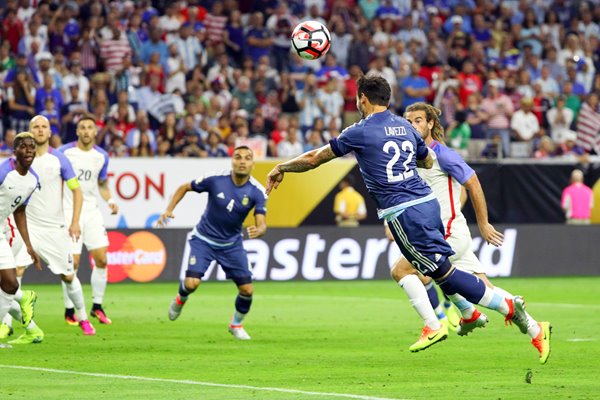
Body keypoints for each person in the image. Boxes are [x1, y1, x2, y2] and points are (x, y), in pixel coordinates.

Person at [265, 75, 551, 364]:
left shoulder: (359, 131)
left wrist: (283, 166)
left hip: (404, 212)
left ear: (362, 99)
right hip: (427, 205)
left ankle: (486, 316)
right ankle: (473, 314)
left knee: (433, 274)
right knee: (440, 273)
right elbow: (426, 160)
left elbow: (314, 158)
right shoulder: (404, 126)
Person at [397, 102, 549, 359]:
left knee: (402, 270)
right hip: (448, 232)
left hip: (447, 233)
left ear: (431, 123)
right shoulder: (412, 156)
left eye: (418, 121)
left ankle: (439, 323)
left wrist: (484, 223)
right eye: (408, 122)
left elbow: (473, 183)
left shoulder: (442, 154)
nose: (412, 126)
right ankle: (536, 329)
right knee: (483, 287)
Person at [158, 146, 267, 340]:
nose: (242, 161)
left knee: (247, 290)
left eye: (247, 158)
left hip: (232, 244)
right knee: (192, 284)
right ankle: (180, 299)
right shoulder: (216, 179)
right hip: (203, 239)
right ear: (232, 161)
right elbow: (184, 187)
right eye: (238, 157)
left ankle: (236, 324)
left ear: (252, 164)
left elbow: (262, 224)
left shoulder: (257, 191)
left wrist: (259, 230)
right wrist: (169, 209)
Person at [21, 115, 96, 335]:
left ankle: (82, 318)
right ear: (29, 132)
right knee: (12, 272)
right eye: (36, 126)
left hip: (54, 228)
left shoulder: (60, 159)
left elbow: (77, 190)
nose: (40, 130)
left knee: (68, 275)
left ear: (50, 132)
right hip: (27, 226)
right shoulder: (22, 158)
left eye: (44, 126)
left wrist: (74, 221)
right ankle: (5, 323)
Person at [58, 115, 118, 325]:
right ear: (77, 131)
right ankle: (69, 310)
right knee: (72, 263)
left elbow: (102, 183)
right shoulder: (64, 153)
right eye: (82, 127)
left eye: (89, 128)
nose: (85, 131)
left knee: (102, 259)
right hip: (69, 211)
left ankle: (97, 307)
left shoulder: (101, 156)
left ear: (95, 132)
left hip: (92, 211)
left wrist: (110, 199)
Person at [0, 132, 43, 345]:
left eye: (32, 147)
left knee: (8, 284)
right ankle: (25, 301)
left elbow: (19, 211)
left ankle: (27, 313)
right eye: (24, 147)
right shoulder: (4, 171)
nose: (29, 151)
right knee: (7, 284)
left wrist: (28, 245)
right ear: (15, 150)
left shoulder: (33, 180)